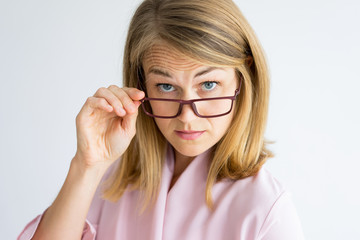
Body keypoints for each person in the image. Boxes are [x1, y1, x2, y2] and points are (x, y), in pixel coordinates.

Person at [18, 0, 304, 239]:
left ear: (243, 79)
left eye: (208, 85)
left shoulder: (266, 212)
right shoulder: (109, 182)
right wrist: (87, 165)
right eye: (166, 87)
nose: (187, 116)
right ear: (141, 85)